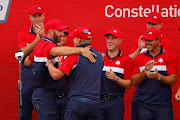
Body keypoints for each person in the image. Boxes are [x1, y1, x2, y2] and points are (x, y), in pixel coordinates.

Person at [24, 20, 97, 120]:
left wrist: (43, 63)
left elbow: (27, 62)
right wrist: (80, 50)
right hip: (45, 94)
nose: (62, 34)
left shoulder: (41, 45)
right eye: (59, 31)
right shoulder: (48, 45)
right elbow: (56, 51)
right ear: (50, 31)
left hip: (52, 94)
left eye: (63, 31)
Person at [46, 27, 104, 120]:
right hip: (95, 104)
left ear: (78, 40)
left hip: (77, 102)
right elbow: (86, 73)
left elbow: (56, 75)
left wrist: (49, 64)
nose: (72, 40)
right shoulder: (100, 56)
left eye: (74, 38)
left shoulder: (74, 55)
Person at [131, 28, 178, 120]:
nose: (147, 43)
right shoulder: (139, 58)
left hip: (163, 106)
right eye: (146, 40)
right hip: (144, 105)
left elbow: (173, 81)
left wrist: (158, 76)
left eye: (150, 40)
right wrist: (145, 71)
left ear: (158, 40)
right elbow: (134, 82)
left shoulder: (170, 56)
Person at [17, 5, 45, 120]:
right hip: (28, 73)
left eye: (39, 16)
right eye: (35, 16)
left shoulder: (49, 33)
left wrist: (43, 37)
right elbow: (20, 54)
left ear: (43, 17)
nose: (37, 19)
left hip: (44, 73)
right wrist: (36, 41)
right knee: (25, 110)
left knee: (46, 109)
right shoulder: (23, 33)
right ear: (30, 18)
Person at [99, 28, 133, 120]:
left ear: (120, 41)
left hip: (116, 102)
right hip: (99, 101)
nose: (110, 41)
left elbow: (128, 84)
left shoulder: (126, 60)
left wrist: (116, 78)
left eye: (113, 38)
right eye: (108, 38)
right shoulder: (99, 57)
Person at [56, 29, 69, 120]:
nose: (62, 38)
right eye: (60, 36)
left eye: (64, 36)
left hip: (65, 97)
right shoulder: (48, 51)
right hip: (50, 97)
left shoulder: (69, 53)